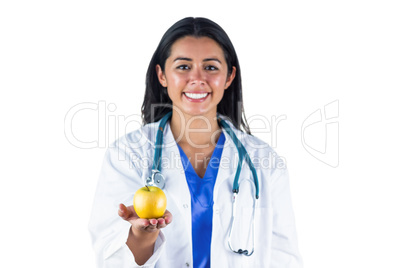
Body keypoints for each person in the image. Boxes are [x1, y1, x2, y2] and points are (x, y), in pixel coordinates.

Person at [89, 17, 302, 268]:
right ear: (162, 74)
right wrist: (143, 234)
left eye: (211, 67)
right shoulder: (128, 154)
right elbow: (111, 259)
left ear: (229, 76)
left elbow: (283, 256)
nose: (198, 78)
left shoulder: (263, 162)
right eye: (183, 67)